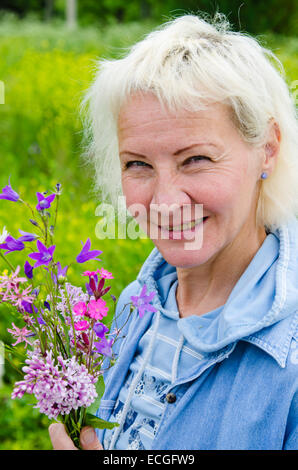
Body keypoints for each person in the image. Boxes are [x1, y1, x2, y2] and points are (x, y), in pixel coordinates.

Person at [49, 12, 298, 450]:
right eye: (138, 164)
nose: (164, 203)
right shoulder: (134, 304)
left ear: (268, 150)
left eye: (195, 159)